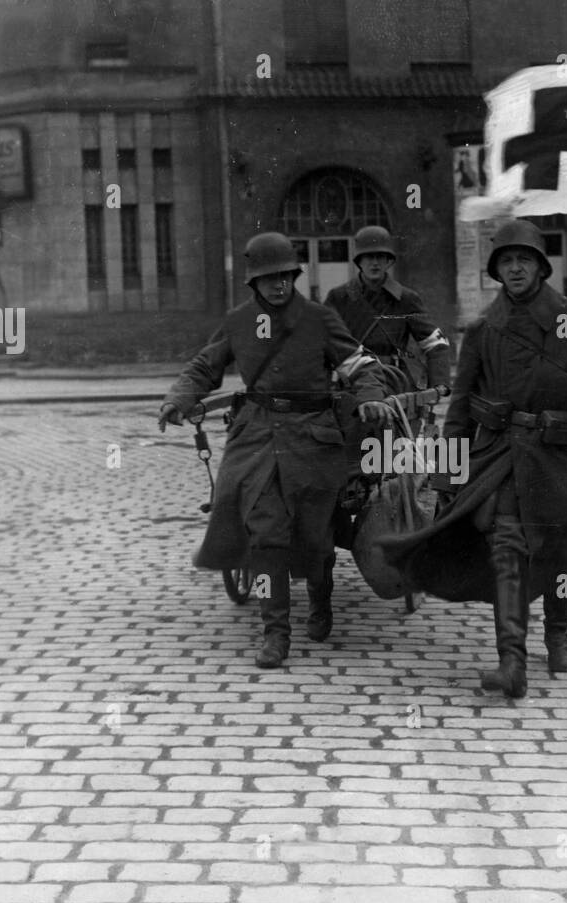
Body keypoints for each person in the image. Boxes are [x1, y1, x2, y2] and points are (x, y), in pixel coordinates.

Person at [376, 219, 567, 699]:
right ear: (497, 271)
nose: (515, 268)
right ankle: (511, 661)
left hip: (559, 452)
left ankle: (557, 633)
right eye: (506, 261)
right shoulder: (482, 331)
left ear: (541, 266)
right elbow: (459, 409)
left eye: (523, 260)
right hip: (500, 456)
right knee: (506, 550)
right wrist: (447, 478)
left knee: (561, 550)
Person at [158, 232, 393, 668]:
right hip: (258, 436)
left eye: (285, 276)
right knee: (265, 536)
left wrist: (371, 396)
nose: (279, 285)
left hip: (314, 437)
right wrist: (179, 397)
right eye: (269, 278)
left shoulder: (320, 319)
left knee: (317, 537)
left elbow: (359, 365)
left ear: (294, 276)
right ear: (254, 282)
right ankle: (275, 631)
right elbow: (205, 366)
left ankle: (321, 603)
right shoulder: (237, 322)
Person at [324, 226, 452, 404]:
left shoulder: (406, 299)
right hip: (353, 383)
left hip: (395, 382)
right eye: (369, 257)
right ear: (359, 261)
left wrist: (439, 383)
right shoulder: (339, 297)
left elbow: (436, 343)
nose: (374, 263)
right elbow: (324, 341)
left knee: (393, 432)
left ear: (388, 261)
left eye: (380, 257)